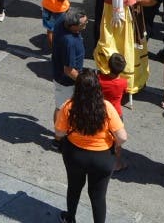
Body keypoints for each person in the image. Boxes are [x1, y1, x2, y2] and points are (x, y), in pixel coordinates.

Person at [55, 70, 128, 223]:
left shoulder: (69, 106)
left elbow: (60, 133)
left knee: (74, 188)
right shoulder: (106, 107)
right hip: (102, 158)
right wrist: (114, 146)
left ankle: (70, 218)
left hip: (75, 155)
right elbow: (122, 137)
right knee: (98, 196)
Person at [53, 10, 88, 117]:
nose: (86, 25)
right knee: (61, 108)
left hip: (61, 70)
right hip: (66, 82)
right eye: (83, 24)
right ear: (72, 26)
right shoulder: (69, 42)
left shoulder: (62, 19)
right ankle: (59, 133)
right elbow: (68, 70)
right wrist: (85, 83)